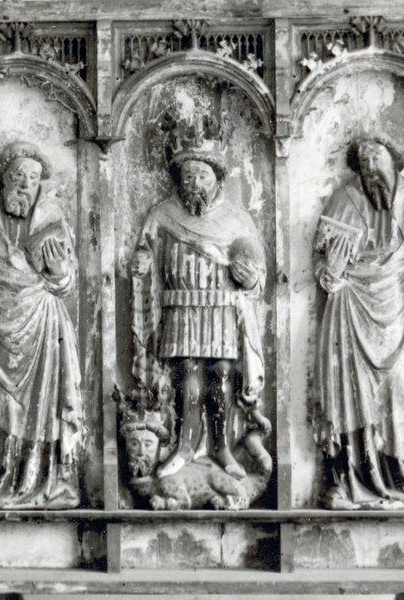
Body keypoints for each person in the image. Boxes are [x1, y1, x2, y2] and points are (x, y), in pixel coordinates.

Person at [130, 114, 268, 481]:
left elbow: (258, 277)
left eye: (203, 176)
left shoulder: (236, 219)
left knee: (220, 377)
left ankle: (221, 447)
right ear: (178, 179)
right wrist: (141, 264)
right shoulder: (163, 215)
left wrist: (250, 279)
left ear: (217, 178)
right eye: (188, 176)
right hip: (180, 308)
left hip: (221, 310)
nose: (195, 184)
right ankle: (185, 445)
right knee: (186, 378)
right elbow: (145, 255)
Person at [312, 137, 404, 510]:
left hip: (397, 307)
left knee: (398, 387)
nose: (371, 166)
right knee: (350, 392)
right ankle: (345, 479)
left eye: (377, 157)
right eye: (364, 160)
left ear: (393, 160)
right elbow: (323, 265)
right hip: (350, 307)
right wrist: (331, 271)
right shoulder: (344, 200)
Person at [0, 142, 82, 509]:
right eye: (18, 175)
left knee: (45, 405)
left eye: (33, 177)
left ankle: (51, 480)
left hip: (42, 322)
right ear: (4, 178)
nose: (25, 184)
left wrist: (59, 271)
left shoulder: (52, 215)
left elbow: (66, 284)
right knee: (2, 404)